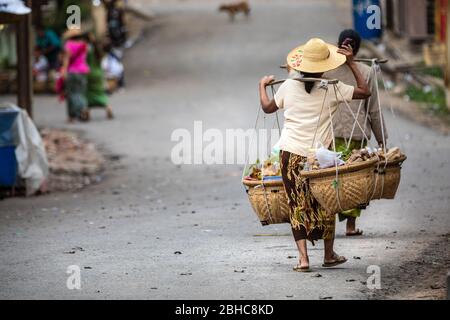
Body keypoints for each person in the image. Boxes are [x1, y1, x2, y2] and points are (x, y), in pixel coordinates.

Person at [258, 38, 371, 272]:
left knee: (296, 205)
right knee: (327, 203)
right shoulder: (332, 86)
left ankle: (303, 260)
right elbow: (365, 91)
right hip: (319, 157)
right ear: (325, 65)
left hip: (290, 155)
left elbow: (268, 108)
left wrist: (262, 85)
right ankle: (328, 255)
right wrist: (351, 63)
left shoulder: (288, 86)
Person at [325, 29, 388, 237]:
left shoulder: (326, 71)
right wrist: (382, 141)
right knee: (354, 180)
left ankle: (328, 225)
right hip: (356, 135)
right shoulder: (366, 72)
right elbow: (374, 109)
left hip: (330, 135)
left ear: (338, 45)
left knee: (330, 179)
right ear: (358, 49)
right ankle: (350, 226)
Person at [61, 29, 90, 122]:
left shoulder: (69, 44)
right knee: (81, 92)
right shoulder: (84, 45)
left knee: (71, 93)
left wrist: (64, 70)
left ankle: (75, 113)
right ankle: (83, 109)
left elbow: (66, 59)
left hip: (72, 71)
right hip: (83, 71)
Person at [85, 33, 114, 120]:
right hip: (98, 73)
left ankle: (87, 112)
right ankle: (108, 108)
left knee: (88, 94)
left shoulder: (88, 51)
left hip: (89, 73)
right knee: (100, 92)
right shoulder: (99, 52)